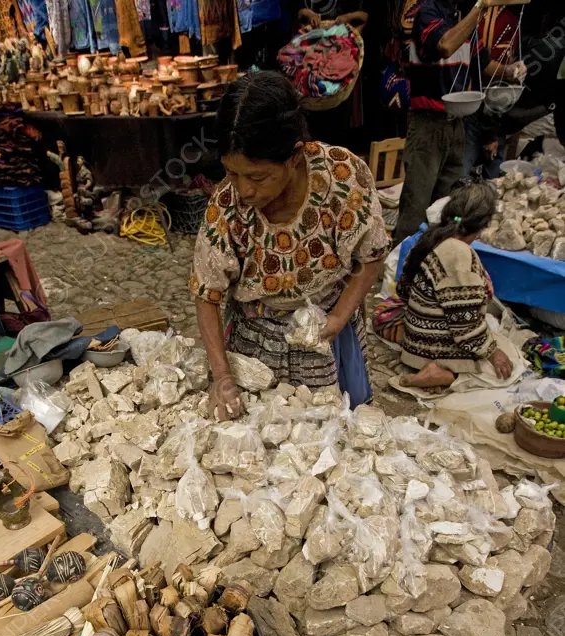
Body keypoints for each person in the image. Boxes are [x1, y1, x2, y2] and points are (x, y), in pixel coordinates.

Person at [190, 71, 389, 419]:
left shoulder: (341, 178)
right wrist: (222, 376)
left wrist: (339, 317)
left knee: (333, 434)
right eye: (231, 173)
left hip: (326, 330)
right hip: (257, 341)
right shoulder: (227, 206)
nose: (243, 190)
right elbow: (207, 293)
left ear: (295, 156)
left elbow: (371, 254)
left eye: (257, 176)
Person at [394, 0, 525, 244]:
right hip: (427, 125)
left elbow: (483, 65)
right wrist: (480, 8)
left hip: (457, 124)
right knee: (417, 205)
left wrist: (510, 72)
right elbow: (445, 46)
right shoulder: (427, 11)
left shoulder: (463, 19)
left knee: (448, 203)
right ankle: (400, 268)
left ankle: (436, 259)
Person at [396, 180, 513, 387]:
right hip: (430, 351)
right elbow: (465, 325)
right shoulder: (457, 253)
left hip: (415, 341)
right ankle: (444, 374)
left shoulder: (433, 235)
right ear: (483, 225)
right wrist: (494, 353)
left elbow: (403, 290)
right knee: (508, 370)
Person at [463, 3, 520, 177]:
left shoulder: (510, 18)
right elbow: (485, 68)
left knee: (488, 173)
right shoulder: (478, 15)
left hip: (489, 108)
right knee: (464, 171)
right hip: (476, 105)